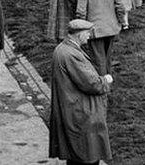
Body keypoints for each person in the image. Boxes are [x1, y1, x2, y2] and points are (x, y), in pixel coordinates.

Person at [48, 19, 113, 165]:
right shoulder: (72, 55)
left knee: (75, 155)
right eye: (88, 33)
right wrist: (106, 80)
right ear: (79, 34)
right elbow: (92, 84)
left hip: (70, 107)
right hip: (79, 112)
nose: (90, 36)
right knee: (87, 155)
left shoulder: (62, 49)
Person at [76, 0, 127, 76]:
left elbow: (81, 12)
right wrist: (122, 22)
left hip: (94, 30)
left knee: (98, 60)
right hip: (111, 27)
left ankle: (101, 85)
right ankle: (108, 79)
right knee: (107, 57)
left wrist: (80, 31)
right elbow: (120, 6)